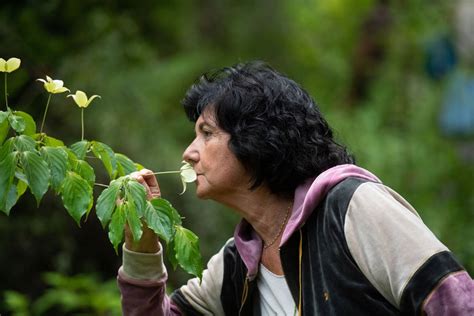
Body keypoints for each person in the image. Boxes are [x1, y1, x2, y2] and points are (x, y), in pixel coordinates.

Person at [117, 61, 473, 315]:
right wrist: (142, 248)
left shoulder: (352, 208)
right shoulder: (236, 264)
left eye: (207, 133)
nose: (189, 152)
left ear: (256, 140)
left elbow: (455, 301)